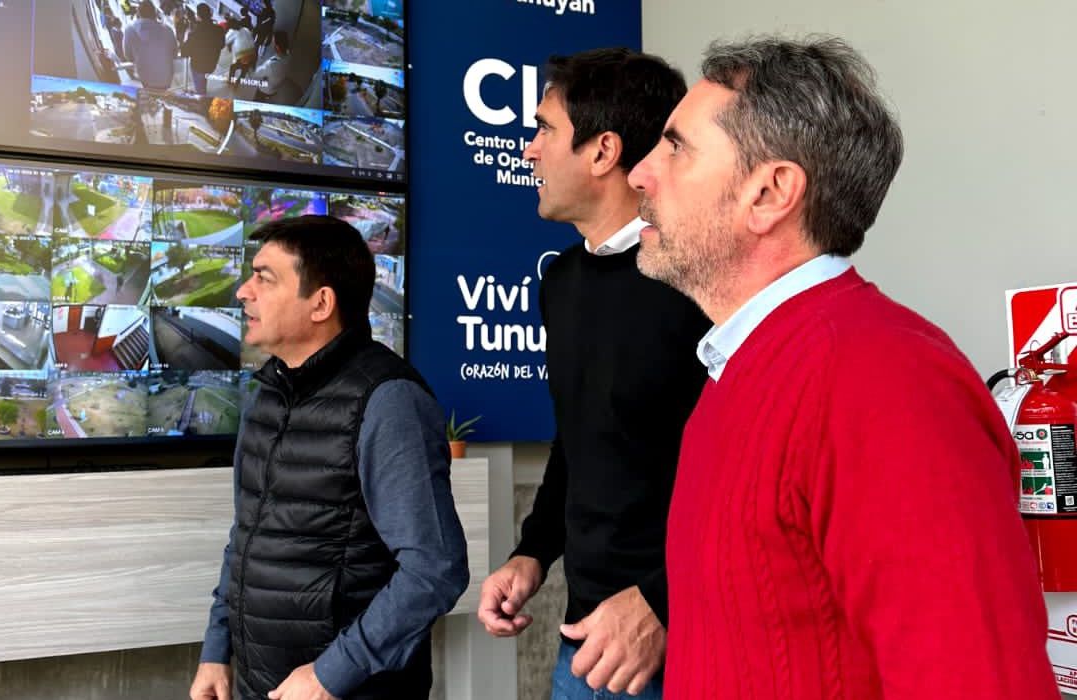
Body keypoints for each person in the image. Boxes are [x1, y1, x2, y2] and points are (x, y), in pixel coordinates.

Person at [627, 35, 1057, 700]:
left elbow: (977, 679)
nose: (640, 173)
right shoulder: (740, 371)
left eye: (676, 147)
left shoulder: (883, 379)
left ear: (769, 193)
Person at [477, 48, 710, 699]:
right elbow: (580, 441)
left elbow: (751, 475)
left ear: (603, 150)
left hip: (691, 647)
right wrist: (532, 552)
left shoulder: (703, 280)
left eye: (545, 130)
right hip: (588, 647)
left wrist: (663, 602)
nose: (528, 152)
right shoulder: (564, 281)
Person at [190, 215, 469, 700]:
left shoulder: (388, 400)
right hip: (261, 685)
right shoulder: (268, 393)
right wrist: (217, 649)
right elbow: (247, 537)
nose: (242, 292)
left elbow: (435, 569)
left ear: (321, 303)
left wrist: (329, 675)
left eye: (264, 278)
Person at [122, 1, 178, 91]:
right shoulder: (168, 30)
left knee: (152, 98)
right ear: (154, 13)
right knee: (163, 96)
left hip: (146, 75)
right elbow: (174, 53)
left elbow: (128, 56)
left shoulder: (130, 30)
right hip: (166, 76)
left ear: (138, 13)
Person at [182, 3, 226, 95]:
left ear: (198, 16)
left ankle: (201, 98)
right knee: (203, 79)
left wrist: (186, 40)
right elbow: (222, 45)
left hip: (198, 67)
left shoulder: (194, 34)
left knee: (200, 88)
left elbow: (184, 53)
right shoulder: (219, 30)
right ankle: (202, 90)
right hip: (211, 64)